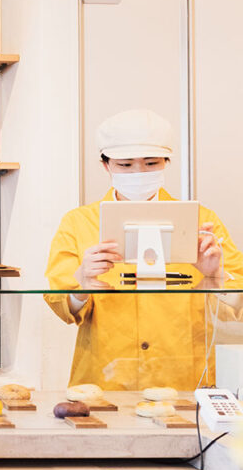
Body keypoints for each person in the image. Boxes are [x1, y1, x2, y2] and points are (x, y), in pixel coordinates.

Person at [45, 109, 243, 390]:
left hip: (183, 379)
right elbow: (62, 307)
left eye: (151, 163)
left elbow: (236, 307)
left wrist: (215, 278)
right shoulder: (78, 223)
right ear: (106, 165)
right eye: (125, 165)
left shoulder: (202, 221)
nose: (138, 172)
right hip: (105, 380)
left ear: (165, 163)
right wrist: (82, 285)